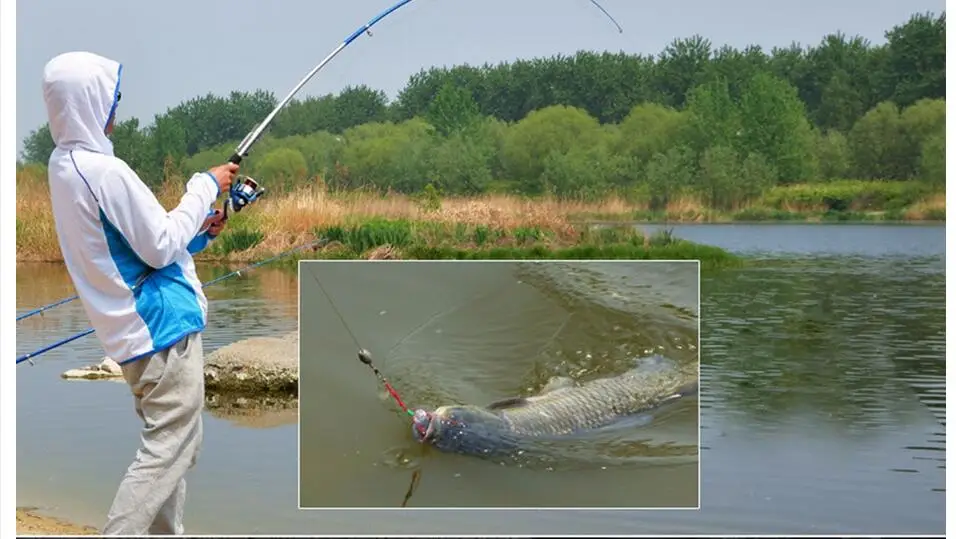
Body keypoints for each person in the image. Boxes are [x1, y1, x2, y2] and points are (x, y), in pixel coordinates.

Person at [42, 50, 237, 535]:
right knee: (166, 451)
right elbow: (161, 242)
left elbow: (133, 249)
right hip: (160, 331)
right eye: (112, 98)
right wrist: (204, 185)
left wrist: (203, 233)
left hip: (134, 333)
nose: (116, 109)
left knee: (175, 449)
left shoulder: (63, 165)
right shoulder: (104, 172)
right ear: (91, 102)